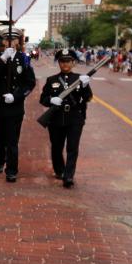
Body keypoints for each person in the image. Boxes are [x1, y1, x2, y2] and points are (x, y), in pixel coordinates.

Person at [0, 30, 35, 183]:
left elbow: (30, 83)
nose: (10, 42)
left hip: (14, 107)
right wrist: (2, 59)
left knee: (12, 140)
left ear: (18, 41)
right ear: (3, 42)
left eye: (13, 39)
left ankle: (11, 170)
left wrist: (16, 96)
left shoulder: (24, 59)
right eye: (7, 39)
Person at [38, 49, 93, 188]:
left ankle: (68, 176)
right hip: (56, 118)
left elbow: (88, 98)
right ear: (59, 63)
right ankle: (59, 170)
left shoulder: (80, 79)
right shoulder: (52, 80)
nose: (65, 64)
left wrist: (85, 86)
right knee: (56, 147)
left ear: (73, 63)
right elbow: (42, 99)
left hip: (75, 117)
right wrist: (51, 99)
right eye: (62, 61)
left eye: (68, 61)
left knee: (72, 147)